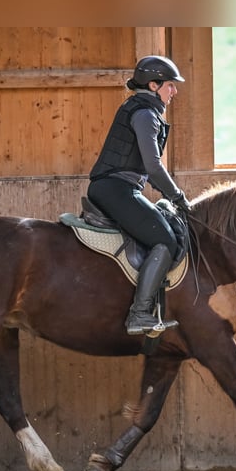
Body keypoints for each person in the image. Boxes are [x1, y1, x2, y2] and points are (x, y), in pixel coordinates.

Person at [87, 55, 192, 336]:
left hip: (117, 187)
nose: (175, 91)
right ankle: (139, 314)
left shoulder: (144, 110)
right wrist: (178, 197)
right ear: (155, 85)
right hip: (116, 188)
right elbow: (153, 166)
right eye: (171, 85)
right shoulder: (145, 114)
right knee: (165, 239)